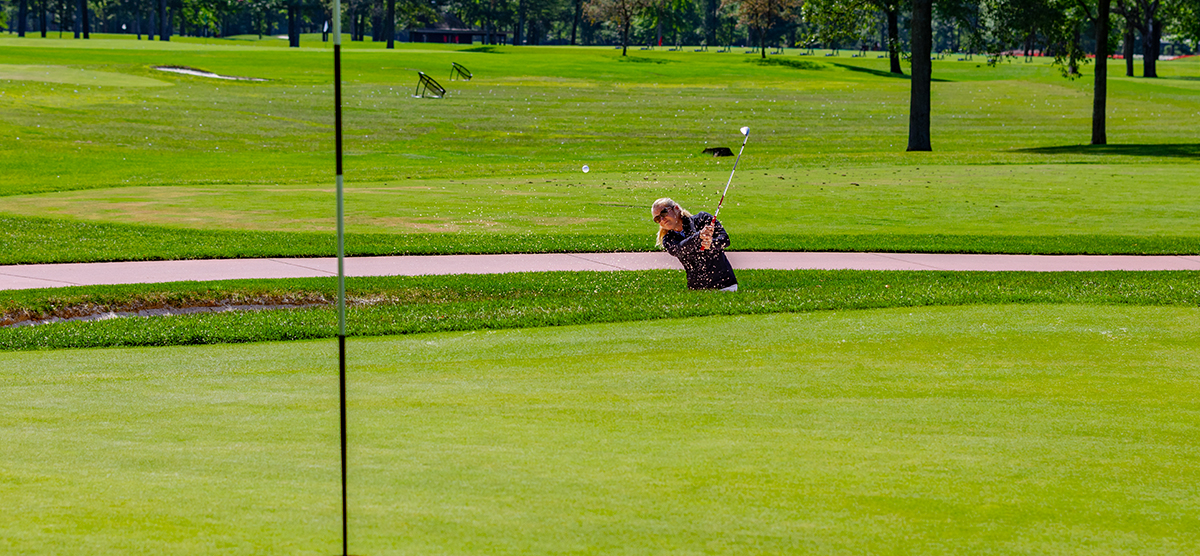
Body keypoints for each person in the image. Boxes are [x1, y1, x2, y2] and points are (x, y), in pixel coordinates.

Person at [651, 197, 738, 291]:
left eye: (664, 213)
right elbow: (679, 249)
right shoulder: (668, 239)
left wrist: (711, 244)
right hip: (697, 290)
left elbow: (725, 240)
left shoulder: (702, 218)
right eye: (657, 219)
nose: (662, 219)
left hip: (725, 285)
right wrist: (698, 236)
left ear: (676, 208)